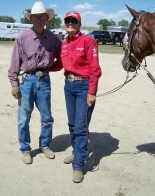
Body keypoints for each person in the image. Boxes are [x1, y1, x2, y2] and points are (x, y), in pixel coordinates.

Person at [50, 11, 102, 183]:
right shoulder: (64, 44)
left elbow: (94, 69)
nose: (70, 23)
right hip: (69, 86)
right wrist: (40, 67)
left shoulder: (88, 41)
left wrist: (92, 91)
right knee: (72, 124)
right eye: (67, 20)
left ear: (79, 24)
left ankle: (79, 165)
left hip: (83, 87)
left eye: (74, 21)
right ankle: (77, 152)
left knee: (80, 126)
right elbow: (59, 64)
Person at [8, 1, 62, 164]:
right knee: (23, 118)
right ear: (31, 19)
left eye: (42, 17)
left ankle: (45, 145)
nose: (39, 19)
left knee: (47, 117)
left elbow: (62, 58)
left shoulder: (53, 39)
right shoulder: (22, 38)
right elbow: (14, 63)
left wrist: (49, 70)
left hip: (44, 81)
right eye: (36, 17)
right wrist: (14, 85)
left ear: (47, 19)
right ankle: (25, 149)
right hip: (26, 81)